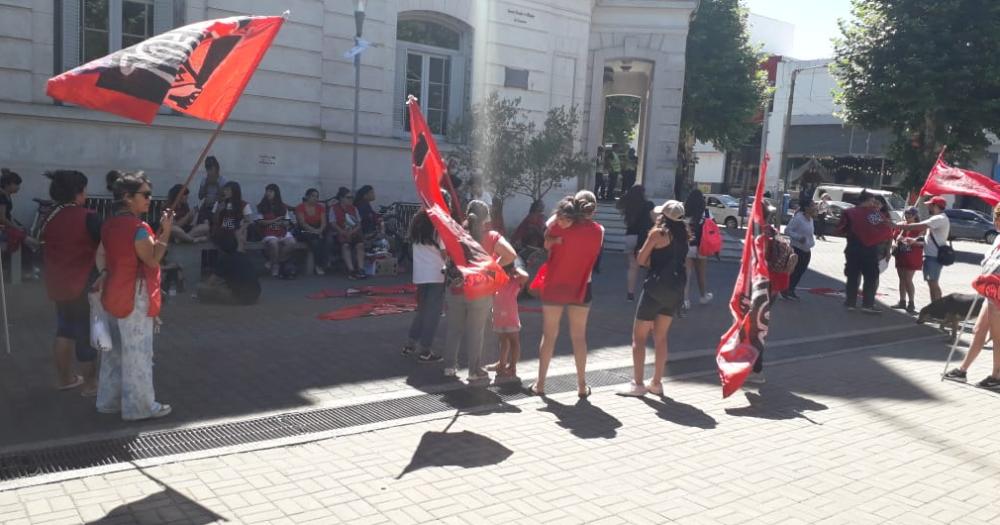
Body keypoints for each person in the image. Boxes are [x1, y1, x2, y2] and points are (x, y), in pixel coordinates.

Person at [96, 171, 172, 420]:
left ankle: (109, 401)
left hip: (112, 292)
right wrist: (167, 231)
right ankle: (139, 407)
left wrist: (106, 272)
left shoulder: (108, 225)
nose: (150, 199)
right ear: (128, 197)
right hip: (135, 294)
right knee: (138, 352)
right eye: (146, 194)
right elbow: (152, 259)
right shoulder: (138, 229)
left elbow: (101, 256)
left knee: (113, 352)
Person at [530, 192, 604, 397]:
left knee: (549, 335)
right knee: (579, 337)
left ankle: (541, 384)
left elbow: (548, 224)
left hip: (555, 285)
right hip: (582, 287)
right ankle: (581, 385)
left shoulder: (558, 226)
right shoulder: (599, 231)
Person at [39, 170, 101, 395]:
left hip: (57, 283)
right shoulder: (88, 216)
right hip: (83, 282)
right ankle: (91, 385)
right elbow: (104, 245)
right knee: (86, 334)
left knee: (64, 330)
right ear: (78, 191)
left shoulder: (49, 216)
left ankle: (65, 379)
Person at [617, 200, 688, 397]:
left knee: (639, 337)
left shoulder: (658, 233)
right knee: (661, 337)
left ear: (663, 216)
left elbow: (641, 259)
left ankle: (638, 384)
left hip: (654, 289)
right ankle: (656, 382)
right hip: (674, 290)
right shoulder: (684, 235)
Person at [443, 200, 517, 382]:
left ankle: (449, 367)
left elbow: (445, 256)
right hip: (480, 290)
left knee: (453, 329)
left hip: (456, 287)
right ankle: (474, 370)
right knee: (476, 332)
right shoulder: (491, 236)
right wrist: (492, 267)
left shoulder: (456, 233)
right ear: (486, 217)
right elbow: (511, 255)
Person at [944, 203, 1000, 386]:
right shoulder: (998, 238)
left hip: (998, 292)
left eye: (996, 217)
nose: (994, 221)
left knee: (998, 337)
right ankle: (962, 370)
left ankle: (996, 377)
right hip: (990, 290)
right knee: (978, 330)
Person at [836, 190, 894, 314]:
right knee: (871, 277)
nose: (874, 204)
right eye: (873, 201)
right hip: (870, 249)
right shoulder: (874, 214)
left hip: (853, 248)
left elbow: (840, 229)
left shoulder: (849, 212)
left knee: (852, 276)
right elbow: (887, 230)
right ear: (867, 201)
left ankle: (850, 302)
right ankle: (867, 304)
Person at [402, 210, 446, 364]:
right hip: (436, 274)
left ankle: (410, 344)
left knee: (422, 310)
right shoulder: (438, 224)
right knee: (432, 314)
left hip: (421, 274)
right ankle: (425, 350)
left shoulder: (417, 221)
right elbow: (444, 252)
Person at [896, 196, 951, 303]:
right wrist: (914, 240)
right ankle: (936, 309)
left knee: (933, 283)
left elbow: (919, 226)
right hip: (931, 256)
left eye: (930, 205)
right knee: (932, 283)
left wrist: (897, 226)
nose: (928, 207)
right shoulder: (938, 218)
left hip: (933, 257)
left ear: (935, 206)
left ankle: (938, 310)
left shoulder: (939, 218)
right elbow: (928, 238)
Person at [195, 231, 261, 305]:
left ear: (220, 247)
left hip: (240, 298)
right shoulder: (243, 256)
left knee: (200, 288)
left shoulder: (224, 259)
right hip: (255, 295)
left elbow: (210, 282)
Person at [492, 260, 529, 382]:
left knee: (514, 341)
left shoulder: (515, 281)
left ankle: (512, 366)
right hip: (499, 316)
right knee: (503, 341)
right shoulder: (497, 280)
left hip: (511, 316)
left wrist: (514, 269)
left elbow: (525, 276)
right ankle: (502, 364)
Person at [0, 168, 39, 279]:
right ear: (8, 184)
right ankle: (25, 268)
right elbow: (2, 219)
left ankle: (25, 267)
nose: (18, 187)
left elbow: (8, 216)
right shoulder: (2, 197)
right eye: (16, 184)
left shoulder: (6, 195)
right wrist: (16, 227)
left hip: (5, 225)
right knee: (25, 239)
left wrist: (17, 225)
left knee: (24, 235)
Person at [619, 185, 655, 302]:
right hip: (644, 237)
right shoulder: (648, 205)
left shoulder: (629, 206)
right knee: (649, 265)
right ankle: (648, 292)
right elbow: (653, 219)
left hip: (630, 236)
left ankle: (630, 293)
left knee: (633, 266)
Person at [256, 183, 300, 277]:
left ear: (276, 193)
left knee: (292, 242)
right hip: (268, 231)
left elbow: (287, 222)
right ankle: (275, 265)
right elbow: (261, 222)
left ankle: (273, 262)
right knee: (274, 243)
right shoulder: (261, 206)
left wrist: (282, 223)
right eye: (267, 191)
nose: (268, 193)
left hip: (282, 231)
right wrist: (275, 220)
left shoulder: (282, 206)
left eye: (271, 191)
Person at [683, 188, 712, 312]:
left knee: (686, 275)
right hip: (702, 246)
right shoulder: (707, 213)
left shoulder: (684, 212)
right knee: (701, 274)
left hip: (688, 246)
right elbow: (713, 229)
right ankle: (703, 296)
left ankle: (685, 300)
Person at [329, 187, 367, 279]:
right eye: (348, 197)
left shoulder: (354, 208)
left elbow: (359, 223)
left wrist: (352, 231)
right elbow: (332, 223)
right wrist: (342, 231)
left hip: (353, 232)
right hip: (340, 232)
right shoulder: (334, 208)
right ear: (341, 198)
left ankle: (361, 269)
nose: (351, 200)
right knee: (345, 246)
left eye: (351, 198)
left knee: (360, 245)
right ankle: (351, 270)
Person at [783, 200, 817, 301]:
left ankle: (791, 290)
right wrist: (798, 237)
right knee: (793, 271)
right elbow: (787, 230)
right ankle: (785, 290)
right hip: (796, 248)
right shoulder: (798, 218)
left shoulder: (811, 219)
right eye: (812, 206)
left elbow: (810, 234)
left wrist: (810, 242)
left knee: (800, 271)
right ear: (806, 208)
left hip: (807, 249)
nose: (815, 207)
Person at [892, 207, 924, 313]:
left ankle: (911, 302)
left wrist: (911, 241)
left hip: (912, 256)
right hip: (901, 254)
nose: (907, 216)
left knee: (908, 279)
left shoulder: (920, 227)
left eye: (910, 214)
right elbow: (894, 236)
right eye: (906, 214)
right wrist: (897, 240)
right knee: (901, 278)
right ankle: (902, 301)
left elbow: (923, 242)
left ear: (915, 216)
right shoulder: (902, 225)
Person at [294, 188, 329, 273]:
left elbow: (324, 222)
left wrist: (319, 231)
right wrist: (315, 231)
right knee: (315, 241)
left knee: (328, 239)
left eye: (317, 196)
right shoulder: (300, 207)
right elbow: (302, 223)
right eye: (313, 196)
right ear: (307, 197)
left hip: (318, 229)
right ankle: (318, 265)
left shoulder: (320, 207)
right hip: (303, 230)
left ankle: (325, 262)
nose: (315, 198)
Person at [211, 181, 253, 252]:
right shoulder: (219, 203)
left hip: (236, 230)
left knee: (242, 233)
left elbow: (248, 221)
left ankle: (239, 253)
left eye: (227, 190)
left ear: (234, 191)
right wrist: (218, 210)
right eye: (225, 190)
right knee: (232, 241)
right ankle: (239, 252)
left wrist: (240, 230)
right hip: (222, 231)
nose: (225, 192)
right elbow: (214, 221)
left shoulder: (243, 204)